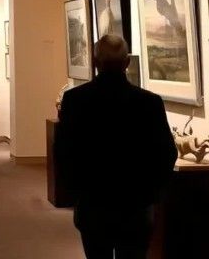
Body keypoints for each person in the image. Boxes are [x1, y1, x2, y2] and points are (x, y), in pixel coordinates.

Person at [55, 34, 176, 259]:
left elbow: (63, 152)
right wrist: (152, 192)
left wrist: (75, 191)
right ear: (127, 62)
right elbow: (167, 152)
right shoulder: (149, 102)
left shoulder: (75, 100)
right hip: (136, 203)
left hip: (93, 201)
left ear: (94, 62)